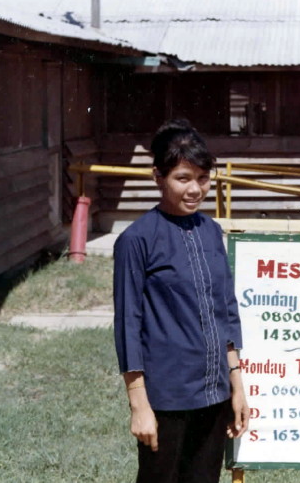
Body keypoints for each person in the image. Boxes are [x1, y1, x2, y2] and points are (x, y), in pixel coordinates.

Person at [113, 118, 249, 483]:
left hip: (214, 395)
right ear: (158, 177)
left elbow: (226, 312)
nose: (195, 189)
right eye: (183, 178)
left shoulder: (211, 231)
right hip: (166, 399)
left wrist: (237, 385)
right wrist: (139, 404)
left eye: (203, 178)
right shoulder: (136, 240)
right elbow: (128, 324)